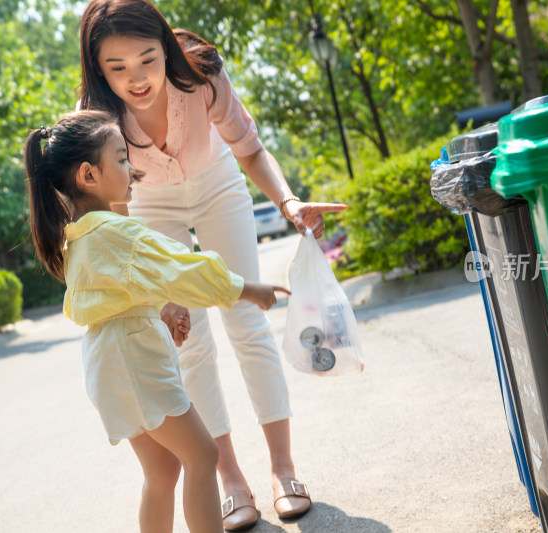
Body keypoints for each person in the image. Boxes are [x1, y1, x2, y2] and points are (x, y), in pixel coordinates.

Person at [78, 0, 347, 529]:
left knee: (247, 321)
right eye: (118, 68)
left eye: (147, 59)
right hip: (149, 204)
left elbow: (249, 149)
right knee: (189, 340)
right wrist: (163, 289)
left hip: (218, 184)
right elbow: (120, 211)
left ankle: (283, 469)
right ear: (97, 68)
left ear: (165, 47)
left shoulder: (201, 73)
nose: (137, 78)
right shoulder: (97, 115)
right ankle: (230, 479)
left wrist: (290, 203)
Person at [23, 109, 290, 533]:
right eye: (122, 158)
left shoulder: (81, 234)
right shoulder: (116, 232)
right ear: (89, 175)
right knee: (202, 457)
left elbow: (129, 287)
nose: (132, 168)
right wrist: (244, 288)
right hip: (133, 362)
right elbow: (182, 267)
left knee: (162, 472)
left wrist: (161, 305)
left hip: (109, 362)